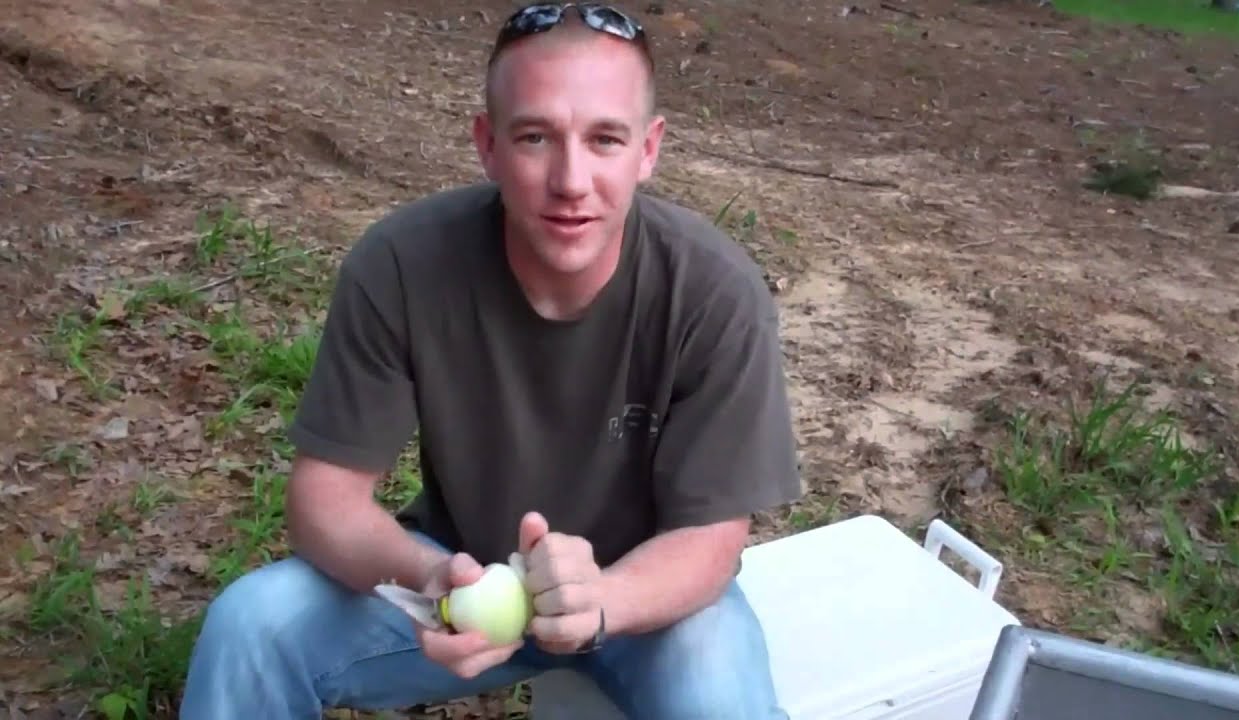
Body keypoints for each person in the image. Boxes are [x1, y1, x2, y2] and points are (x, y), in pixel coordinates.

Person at [178, 3, 803, 718]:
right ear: (488, 144)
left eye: (605, 139)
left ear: (648, 149)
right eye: (536, 137)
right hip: (462, 571)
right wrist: (434, 578)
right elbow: (325, 501)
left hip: (644, 596)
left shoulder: (713, 291)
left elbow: (711, 538)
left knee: (720, 697)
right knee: (252, 625)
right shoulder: (403, 265)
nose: (571, 180)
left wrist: (605, 601)